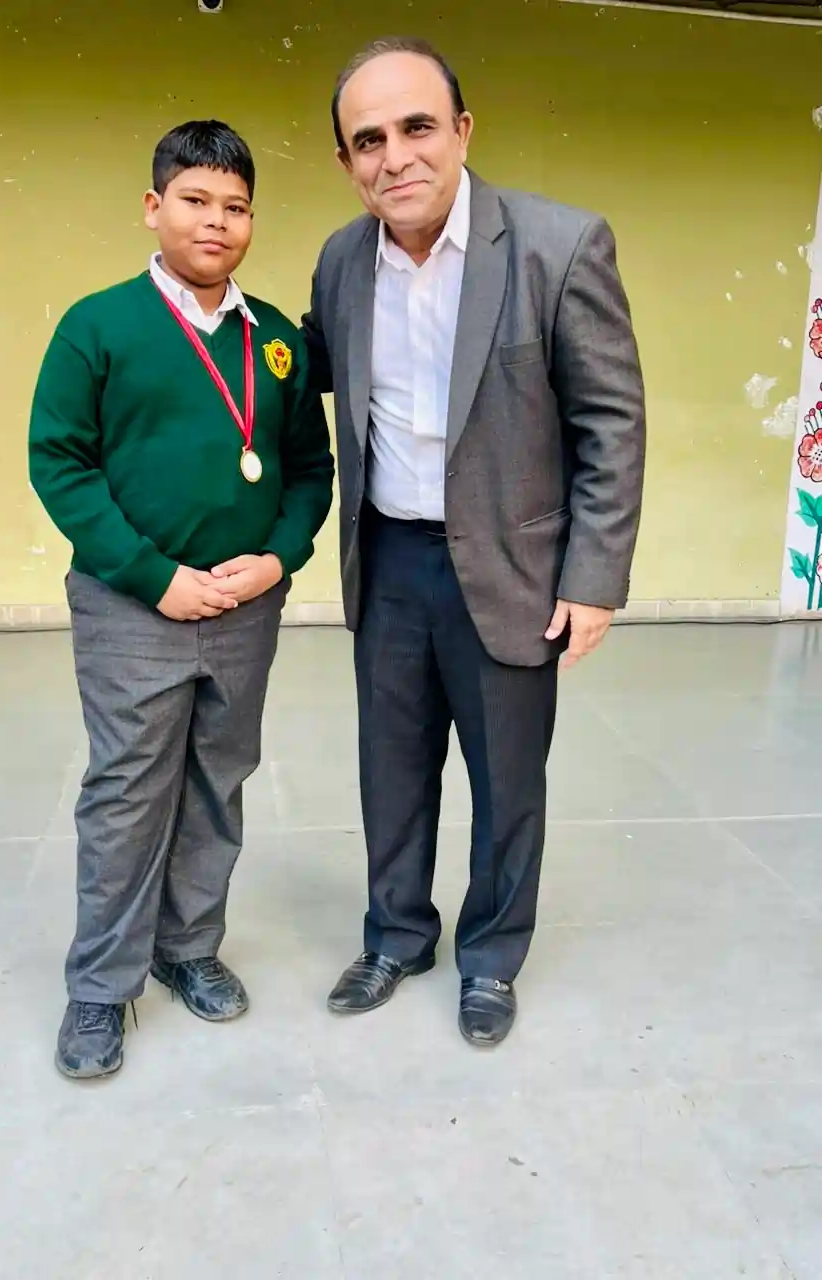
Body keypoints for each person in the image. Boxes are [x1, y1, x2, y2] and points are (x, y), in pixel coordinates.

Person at [302, 38, 646, 1047]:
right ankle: (397, 935)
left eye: (416, 127)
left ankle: (491, 954)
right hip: (388, 560)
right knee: (390, 769)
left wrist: (595, 578)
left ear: (461, 130)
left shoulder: (557, 246)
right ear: (346, 162)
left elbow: (610, 422)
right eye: (369, 140)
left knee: (507, 783)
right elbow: (301, 373)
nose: (395, 156)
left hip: (511, 567)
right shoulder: (341, 260)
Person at [29, 120, 334, 1079]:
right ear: (153, 207)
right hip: (132, 604)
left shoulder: (275, 340)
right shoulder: (98, 326)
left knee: (218, 778)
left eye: (236, 207)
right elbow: (61, 464)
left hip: (244, 608)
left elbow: (309, 470)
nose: (216, 222)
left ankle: (188, 947)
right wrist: (153, 576)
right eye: (195, 201)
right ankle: (100, 986)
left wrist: (278, 560)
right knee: (128, 790)